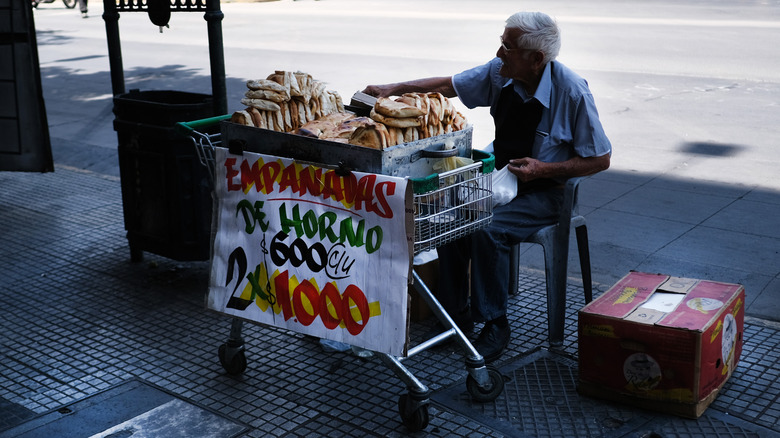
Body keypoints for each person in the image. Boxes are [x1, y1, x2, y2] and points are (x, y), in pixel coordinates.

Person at [363, 11, 611, 363]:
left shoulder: (571, 92)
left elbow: (600, 159)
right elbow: (451, 85)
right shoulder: (503, 73)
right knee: (449, 217)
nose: (498, 54)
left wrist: (543, 169)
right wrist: (395, 89)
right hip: (502, 179)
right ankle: (455, 315)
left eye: (507, 47)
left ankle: (495, 323)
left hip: (547, 192)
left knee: (486, 230)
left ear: (536, 59)